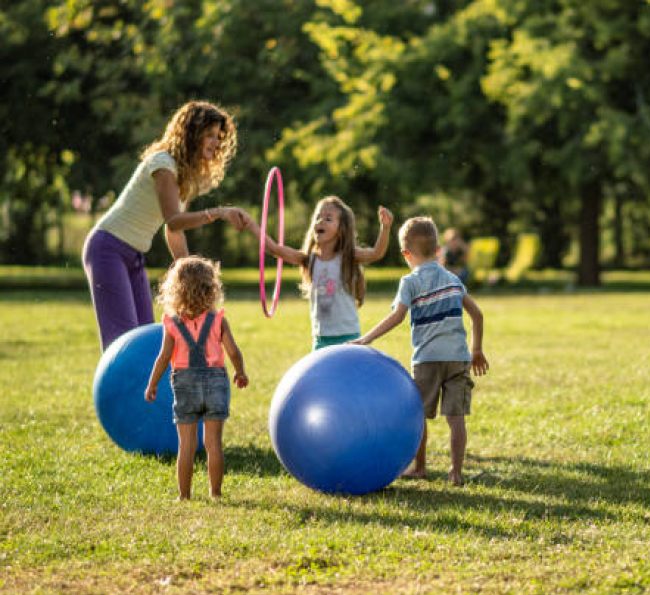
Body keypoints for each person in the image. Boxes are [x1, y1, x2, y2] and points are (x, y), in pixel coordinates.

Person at [82, 100, 252, 350]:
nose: (216, 143)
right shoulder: (163, 164)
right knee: (122, 343)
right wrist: (219, 212)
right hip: (108, 249)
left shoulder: (183, 175)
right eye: (209, 135)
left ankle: (143, 390)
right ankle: (116, 389)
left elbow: (173, 229)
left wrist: (188, 272)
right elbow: (174, 219)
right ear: (191, 134)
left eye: (218, 136)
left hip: (133, 255)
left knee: (144, 338)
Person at [352, 216, 489, 485]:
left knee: (418, 415)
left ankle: (421, 466)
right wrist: (477, 350)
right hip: (458, 358)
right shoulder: (452, 279)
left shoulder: (410, 282)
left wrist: (365, 339)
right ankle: (456, 472)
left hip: (427, 360)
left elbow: (397, 317)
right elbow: (478, 315)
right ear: (438, 249)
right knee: (456, 417)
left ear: (406, 253)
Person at [144, 256, 248, 501]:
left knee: (186, 445)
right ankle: (215, 492)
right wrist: (240, 371)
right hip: (216, 382)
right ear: (211, 288)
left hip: (184, 382)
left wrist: (152, 383)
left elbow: (163, 356)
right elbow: (233, 350)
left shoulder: (171, 323)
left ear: (175, 289)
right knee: (213, 444)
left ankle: (184, 495)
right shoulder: (219, 319)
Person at [248, 196, 393, 350]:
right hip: (320, 340)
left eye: (328, 219)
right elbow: (274, 249)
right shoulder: (308, 260)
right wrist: (250, 224)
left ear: (341, 229)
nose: (320, 221)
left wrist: (385, 228)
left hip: (349, 337)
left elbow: (377, 253)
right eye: (317, 217)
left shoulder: (348, 257)